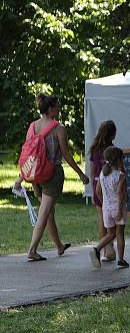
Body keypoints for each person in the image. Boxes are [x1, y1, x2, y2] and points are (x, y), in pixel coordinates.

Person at [14, 93, 89, 261]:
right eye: (58, 106)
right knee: (44, 212)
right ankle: (32, 250)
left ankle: (59, 246)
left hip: (35, 176)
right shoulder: (58, 128)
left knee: (48, 212)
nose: (60, 109)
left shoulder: (32, 126)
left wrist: (22, 176)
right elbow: (66, 155)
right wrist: (81, 174)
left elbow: (28, 156)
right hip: (52, 175)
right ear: (51, 109)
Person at [90, 146, 129, 269]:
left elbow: (97, 191)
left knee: (110, 234)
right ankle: (121, 260)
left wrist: (104, 203)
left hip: (106, 209)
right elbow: (120, 194)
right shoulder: (119, 176)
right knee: (120, 234)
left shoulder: (102, 174)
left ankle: (97, 249)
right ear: (118, 160)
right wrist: (118, 210)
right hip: (118, 209)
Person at [89, 120, 117, 262]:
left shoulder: (95, 149)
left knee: (102, 219)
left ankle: (105, 250)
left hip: (97, 187)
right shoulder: (113, 150)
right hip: (110, 188)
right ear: (112, 135)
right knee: (112, 220)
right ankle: (106, 249)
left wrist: (93, 187)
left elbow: (92, 172)